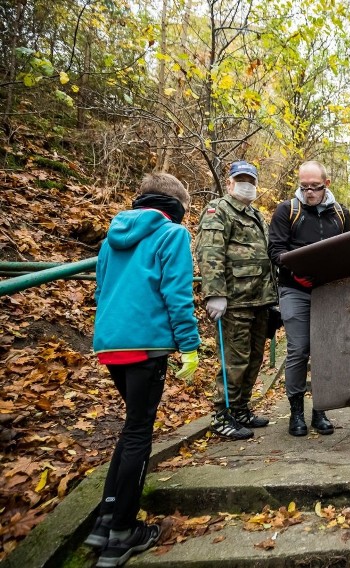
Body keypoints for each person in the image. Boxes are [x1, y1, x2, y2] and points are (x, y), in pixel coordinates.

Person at [87, 173, 200, 567]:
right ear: (177, 207)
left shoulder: (111, 237)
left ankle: (105, 518)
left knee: (131, 426)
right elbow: (176, 293)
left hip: (110, 342)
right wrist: (189, 346)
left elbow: (101, 289)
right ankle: (123, 532)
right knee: (139, 433)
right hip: (146, 345)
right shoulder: (173, 236)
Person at [195, 161, 278, 440]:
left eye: (251, 181)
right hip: (234, 302)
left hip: (260, 301)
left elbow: (266, 258)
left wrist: (274, 297)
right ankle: (222, 414)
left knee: (254, 359)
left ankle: (241, 409)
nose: (246, 185)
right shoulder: (219, 210)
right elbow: (210, 252)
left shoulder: (256, 215)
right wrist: (215, 293)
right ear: (229, 183)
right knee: (235, 360)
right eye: (240, 179)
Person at [268, 160, 350, 437]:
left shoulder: (341, 214)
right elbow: (276, 249)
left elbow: (347, 250)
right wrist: (298, 271)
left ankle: (321, 409)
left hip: (327, 290)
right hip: (295, 288)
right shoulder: (287, 210)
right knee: (299, 349)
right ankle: (296, 412)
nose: (309, 193)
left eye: (314, 187)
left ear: (326, 184)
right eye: (304, 187)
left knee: (325, 350)